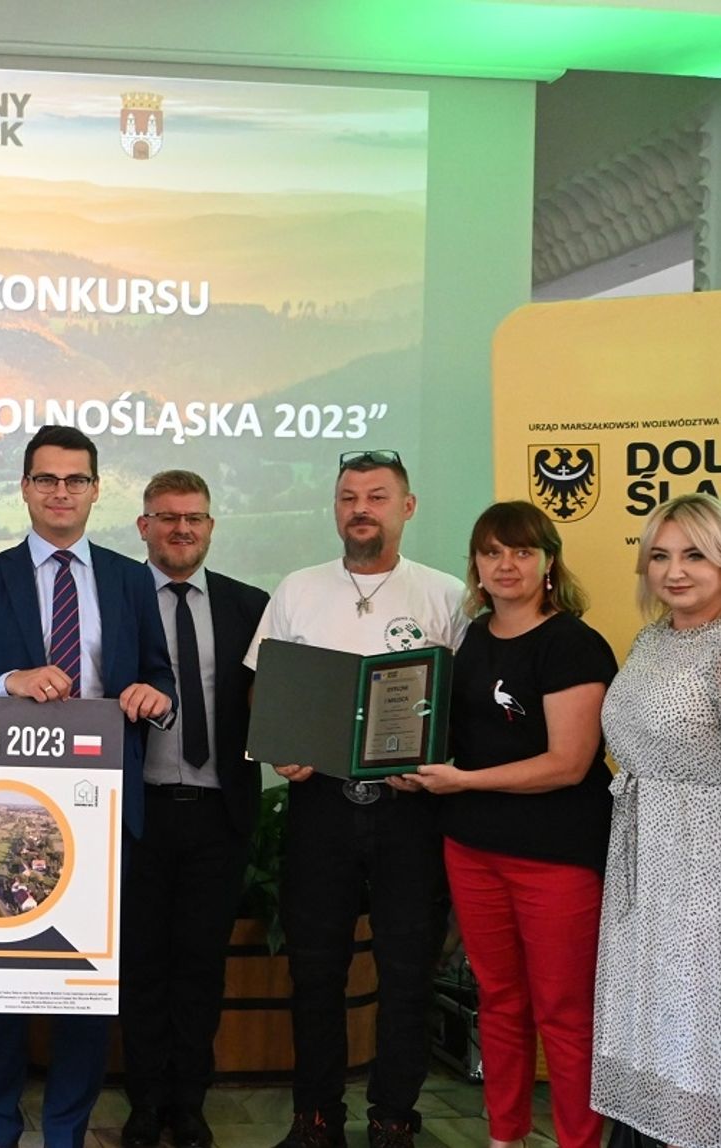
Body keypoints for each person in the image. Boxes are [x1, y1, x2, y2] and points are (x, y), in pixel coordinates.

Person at [0, 425, 175, 1148]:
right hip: (7, 807)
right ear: (25, 488)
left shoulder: (130, 579)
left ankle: (67, 1134)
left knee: (86, 988)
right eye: (47, 479)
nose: (61, 492)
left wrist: (153, 697)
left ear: (96, 490)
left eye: (75, 480)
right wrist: (9, 681)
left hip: (105, 810)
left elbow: (160, 680)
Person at [244, 450, 467, 1148]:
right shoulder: (298, 588)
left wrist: (436, 760)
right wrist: (280, 744)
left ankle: (393, 1119)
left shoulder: (446, 595)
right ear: (335, 509)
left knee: (406, 973)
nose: (360, 509)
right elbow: (265, 685)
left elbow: (459, 703)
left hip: (411, 810)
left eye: (376, 496)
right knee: (315, 971)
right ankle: (315, 1118)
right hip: (321, 804)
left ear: (408, 507)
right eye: (348, 497)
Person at [393, 501, 613, 1148]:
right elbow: (450, 738)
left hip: (556, 857)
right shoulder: (469, 639)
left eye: (522, 551)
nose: (506, 564)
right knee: (499, 1002)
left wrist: (462, 781)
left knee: (564, 1013)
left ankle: (577, 1142)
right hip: (472, 849)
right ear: (476, 565)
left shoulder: (572, 644)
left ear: (549, 563)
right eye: (492, 552)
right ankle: (504, 1136)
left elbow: (568, 764)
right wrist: (410, 765)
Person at [119, 470, 268, 1148]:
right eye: (168, 516)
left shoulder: (249, 605)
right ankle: (145, 1104)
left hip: (217, 814)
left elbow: (271, 703)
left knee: (201, 967)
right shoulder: (118, 600)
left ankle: (190, 1103)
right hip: (137, 812)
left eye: (195, 518)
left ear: (210, 526)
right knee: (142, 966)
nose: (182, 528)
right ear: (143, 525)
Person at [592, 492, 721, 1147]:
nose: (674, 571)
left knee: (697, 1021)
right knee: (651, 1013)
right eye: (660, 556)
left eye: (695, 555)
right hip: (643, 855)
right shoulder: (651, 638)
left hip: (705, 861)